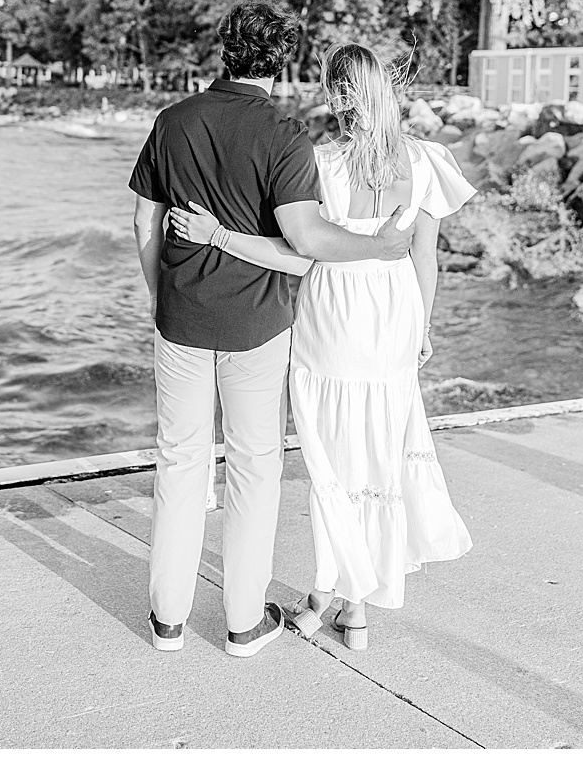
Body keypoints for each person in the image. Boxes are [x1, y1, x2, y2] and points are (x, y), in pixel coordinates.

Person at [128, 0, 414, 659]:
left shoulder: (172, 122)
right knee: (254, 470)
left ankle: (167, 621)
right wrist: (380, 247)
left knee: (179, 460)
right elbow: (307, 237)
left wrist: (158, 293)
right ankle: (242, 624)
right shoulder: (284, 134)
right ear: (280, 61)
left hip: (180, 321)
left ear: (224, 51)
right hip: (258, 327)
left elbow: (143, 223)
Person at [169, 42, 474, 650]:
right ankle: (355, 611)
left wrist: (216, 235)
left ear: (337, 95)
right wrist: (424, 327)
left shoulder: (320, 162)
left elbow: (302, 253)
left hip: (330, 314)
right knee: (375, 457)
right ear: (386, 90)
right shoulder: (424, 163)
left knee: (328, 462)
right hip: (392, 316)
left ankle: (320, 601)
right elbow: (425, 259)